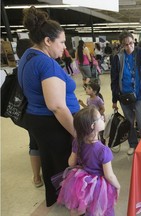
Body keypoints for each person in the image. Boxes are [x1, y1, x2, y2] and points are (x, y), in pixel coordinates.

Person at [19, 6, 80, 207]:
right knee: (64, 165)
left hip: (38, 120)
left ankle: (58, 199)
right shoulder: (47, 64)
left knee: (51, 162)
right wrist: (77, 133)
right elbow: (56, 106)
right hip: (53, 123)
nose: (64, 48)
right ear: (48, 41)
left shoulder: (28, 54)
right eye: (62, 42)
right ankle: (70, 203)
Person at [57, 105, 120, 216]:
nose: (103, 118)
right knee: (103, 208)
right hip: (99, 185)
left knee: (86, 206)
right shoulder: (104, 151)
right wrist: (117, 186)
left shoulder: (77, 142)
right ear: (93, 126)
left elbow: (71, 163)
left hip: (82, 181)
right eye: (100, 117)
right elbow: (109, 175)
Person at [16, 38, 43, 188]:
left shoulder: (20, 68)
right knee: (40, 144)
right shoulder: (34, 67)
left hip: (27, 113)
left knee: (34, 144)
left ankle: (36, 177)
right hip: (37, 112)